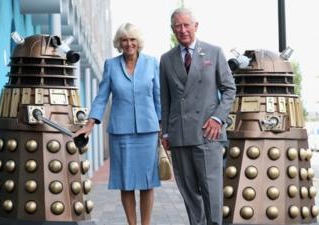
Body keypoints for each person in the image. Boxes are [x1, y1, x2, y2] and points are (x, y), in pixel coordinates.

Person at [74, 23, 161, 225]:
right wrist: (89, 124)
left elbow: (159, 97)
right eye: (124, 40)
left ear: (138, 42)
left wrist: (162, 128)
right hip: (121, 133)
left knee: (148, 183)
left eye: (132, 39)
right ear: (119, 43)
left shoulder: (152, 63)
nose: (129, 44)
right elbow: (101, 97)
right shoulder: (111, 65)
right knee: (126, 183)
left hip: (148, 131)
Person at [159, 8, 236, 225]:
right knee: (189, 192)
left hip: (207, 133)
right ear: (173, 29)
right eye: (178, 26)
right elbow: (165, 99)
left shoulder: (214, 52)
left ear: (196, 26)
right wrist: (165, 131)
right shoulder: (166, 59)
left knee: (212, 191)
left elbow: (230, 89)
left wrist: (218, 119)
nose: (182, 30)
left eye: (186, 25)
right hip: (179, 135)